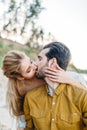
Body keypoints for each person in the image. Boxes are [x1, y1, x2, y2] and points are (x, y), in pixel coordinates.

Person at [2, 49, 86, 130]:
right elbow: (24, 119)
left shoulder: (65, 77)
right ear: (20, 77)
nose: (35, 66)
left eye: (31, 61)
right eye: (29, 70)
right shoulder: (22, 90)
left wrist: (70, 80)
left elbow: (82, 92)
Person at [24, 42, 87, 130]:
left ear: (52, 62)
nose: (35, 64)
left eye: (40, 59)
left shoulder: (82, 96)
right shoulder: (30, 97)